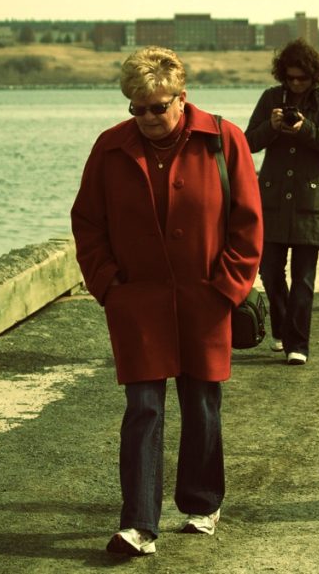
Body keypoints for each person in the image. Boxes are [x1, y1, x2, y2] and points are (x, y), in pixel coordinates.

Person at [71, 46, 262, 557]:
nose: (149, 118)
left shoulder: (225, 139)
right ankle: (138, 524)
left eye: (158, 106)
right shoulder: (110, 147)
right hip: (138, 302)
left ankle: (201, 504)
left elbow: (247, 222)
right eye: (137, 107)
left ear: (182, 97)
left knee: (202, 404)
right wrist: (109, 286)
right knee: (143, 409)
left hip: (206, 297)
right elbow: (88, 223)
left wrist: (227, 288)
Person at [244, 39, 319, 365]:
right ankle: (283, 329)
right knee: (270, 272)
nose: (296, 83)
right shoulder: (271, 98)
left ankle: (297, 344)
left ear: (314, 76)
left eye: (302, 78)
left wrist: (305, 129)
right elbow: (247, 143)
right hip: (272, 198)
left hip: (309, 200)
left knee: (303, 278)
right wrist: (270, 127)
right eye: (290, 78)